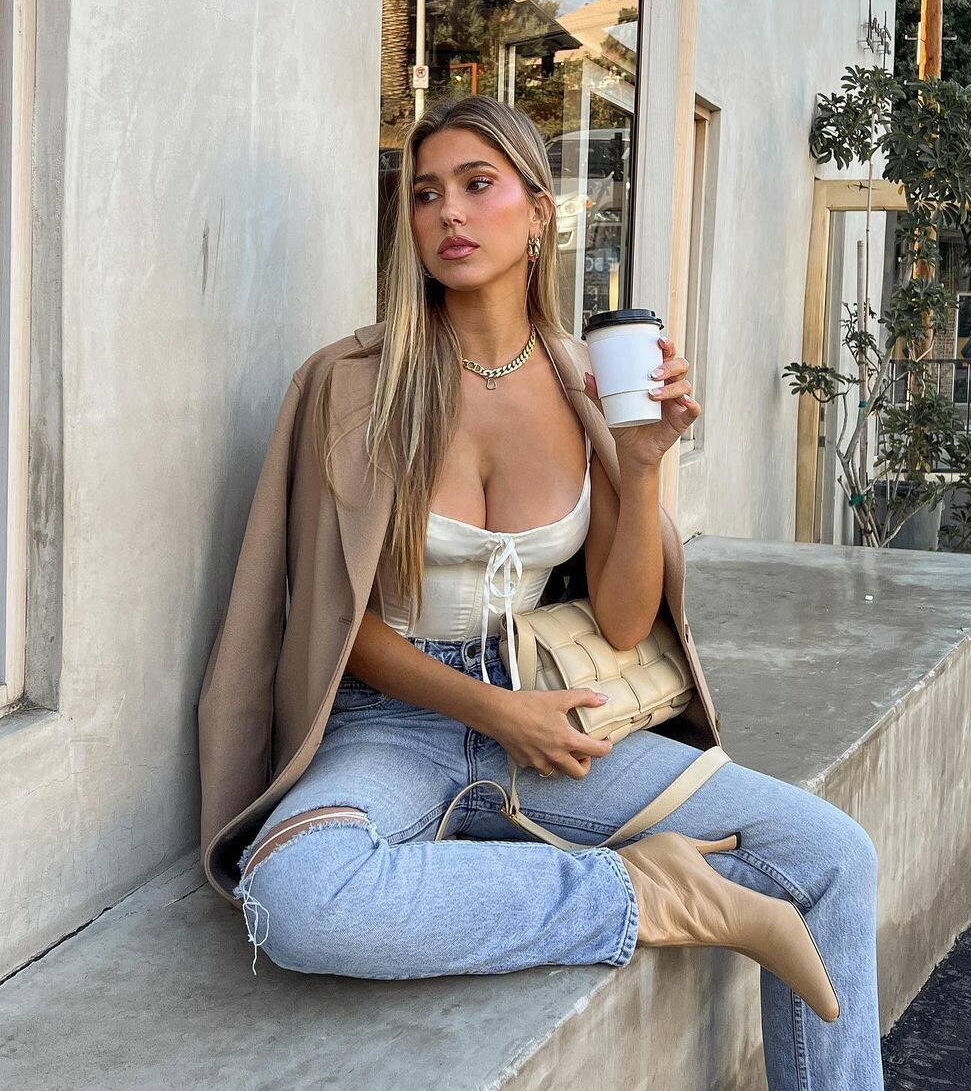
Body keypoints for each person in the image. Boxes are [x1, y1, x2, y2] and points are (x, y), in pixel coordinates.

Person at [226, 95, 884, 1089]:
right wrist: (492, 713)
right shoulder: (353, 383)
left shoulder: (588, 384)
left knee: (831, 855)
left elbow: (623, 619)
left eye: (477, 186)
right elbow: (334, 625)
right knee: (296, 896)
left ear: (540, 212)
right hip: (392, 721)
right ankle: (643, 893)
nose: (449, 213)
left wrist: (642, 464)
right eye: (425, 194)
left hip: (556, 718)